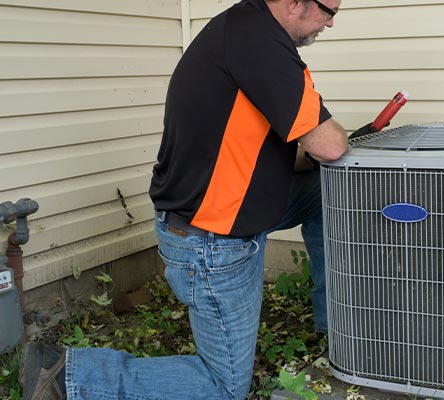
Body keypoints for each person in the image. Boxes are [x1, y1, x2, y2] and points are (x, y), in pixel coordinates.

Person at [20, 0, 347, 399]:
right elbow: (328, 145)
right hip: (212, 238)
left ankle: (337, 325)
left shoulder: (245, 28)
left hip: (221, 208)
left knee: (322, 195)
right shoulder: (259, 41)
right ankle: (69, 375)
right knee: (224, 388)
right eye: (330, 10)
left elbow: (260, 146)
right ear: (296, 2)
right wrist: (338, 144)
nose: (330, 23)